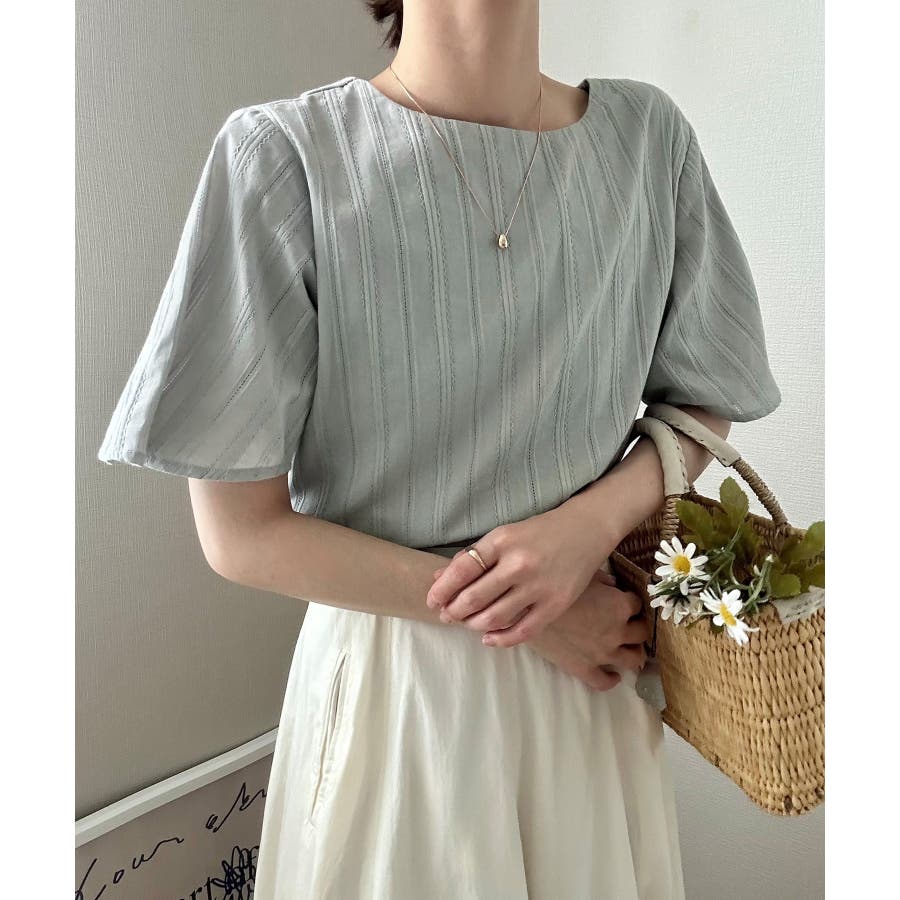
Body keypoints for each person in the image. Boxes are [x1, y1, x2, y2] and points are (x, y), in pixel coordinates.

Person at [96, 1, 782, 897]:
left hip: (592, 685)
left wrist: (586, 527)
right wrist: (529, 616)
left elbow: (707, 398)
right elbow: (241, 533)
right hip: (399, 703)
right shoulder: (285, 158)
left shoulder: (650, 143)